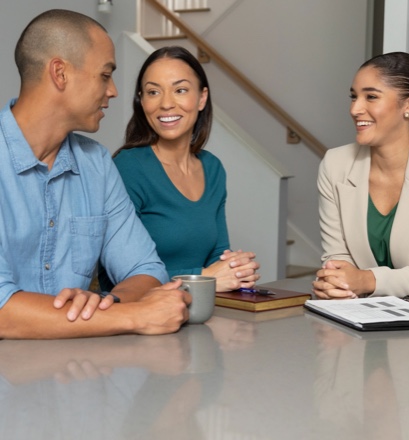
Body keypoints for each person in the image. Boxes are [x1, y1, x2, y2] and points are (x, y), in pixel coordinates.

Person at [0, 9, 191, 339]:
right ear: (60, 73)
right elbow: (3, 314)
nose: (114, 91)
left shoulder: (97, 164)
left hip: (80, 375)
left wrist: (106, 304)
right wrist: (134, 315)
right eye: (105, 75)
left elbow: (146, 270)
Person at [105, 46, 259, 292]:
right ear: (142, 101)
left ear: (202, 98)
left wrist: (236, 269)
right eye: (153, 92)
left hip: (200, 311)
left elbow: (218, 253)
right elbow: (122, 277)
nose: (166, 104)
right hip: (143, 315)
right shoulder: (128, 167)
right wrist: (204, 278)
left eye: (180, 90)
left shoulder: (213, 168)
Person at [312, 51, 409, 299]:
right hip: (360, 318)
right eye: (353, 97)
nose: (355, 109)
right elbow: (336, 257)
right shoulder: (335, 164)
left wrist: (365, 280)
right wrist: (335, 281)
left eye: (371, 97)